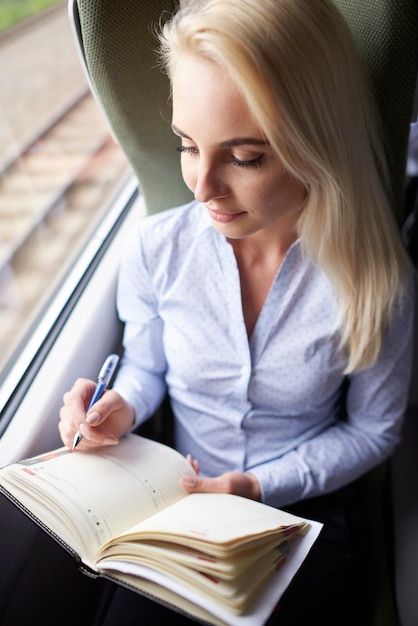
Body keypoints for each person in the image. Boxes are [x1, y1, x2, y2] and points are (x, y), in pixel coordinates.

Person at [58, 0, 414, 624]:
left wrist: (257, 487)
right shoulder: (153, 249)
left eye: (245, 158)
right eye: (187, 146)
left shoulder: (379, 280)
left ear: (317, 142)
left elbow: (374, 432)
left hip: (305, 510)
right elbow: (144, 367)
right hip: (177, 497)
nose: (201, 188)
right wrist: (122, 406)